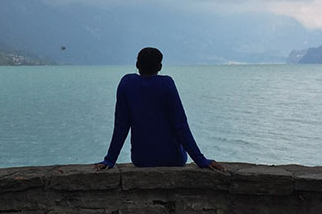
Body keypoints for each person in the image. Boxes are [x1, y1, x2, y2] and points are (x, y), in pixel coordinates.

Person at [94, 47, 225, 172]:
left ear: (137, 65)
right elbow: (180, 126)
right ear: (160, 67)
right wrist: (201, 160)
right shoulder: (166, 84)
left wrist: (110, 160)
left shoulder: (127, 84)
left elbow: (121, 126)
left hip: (141, 159)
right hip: (173, 159)